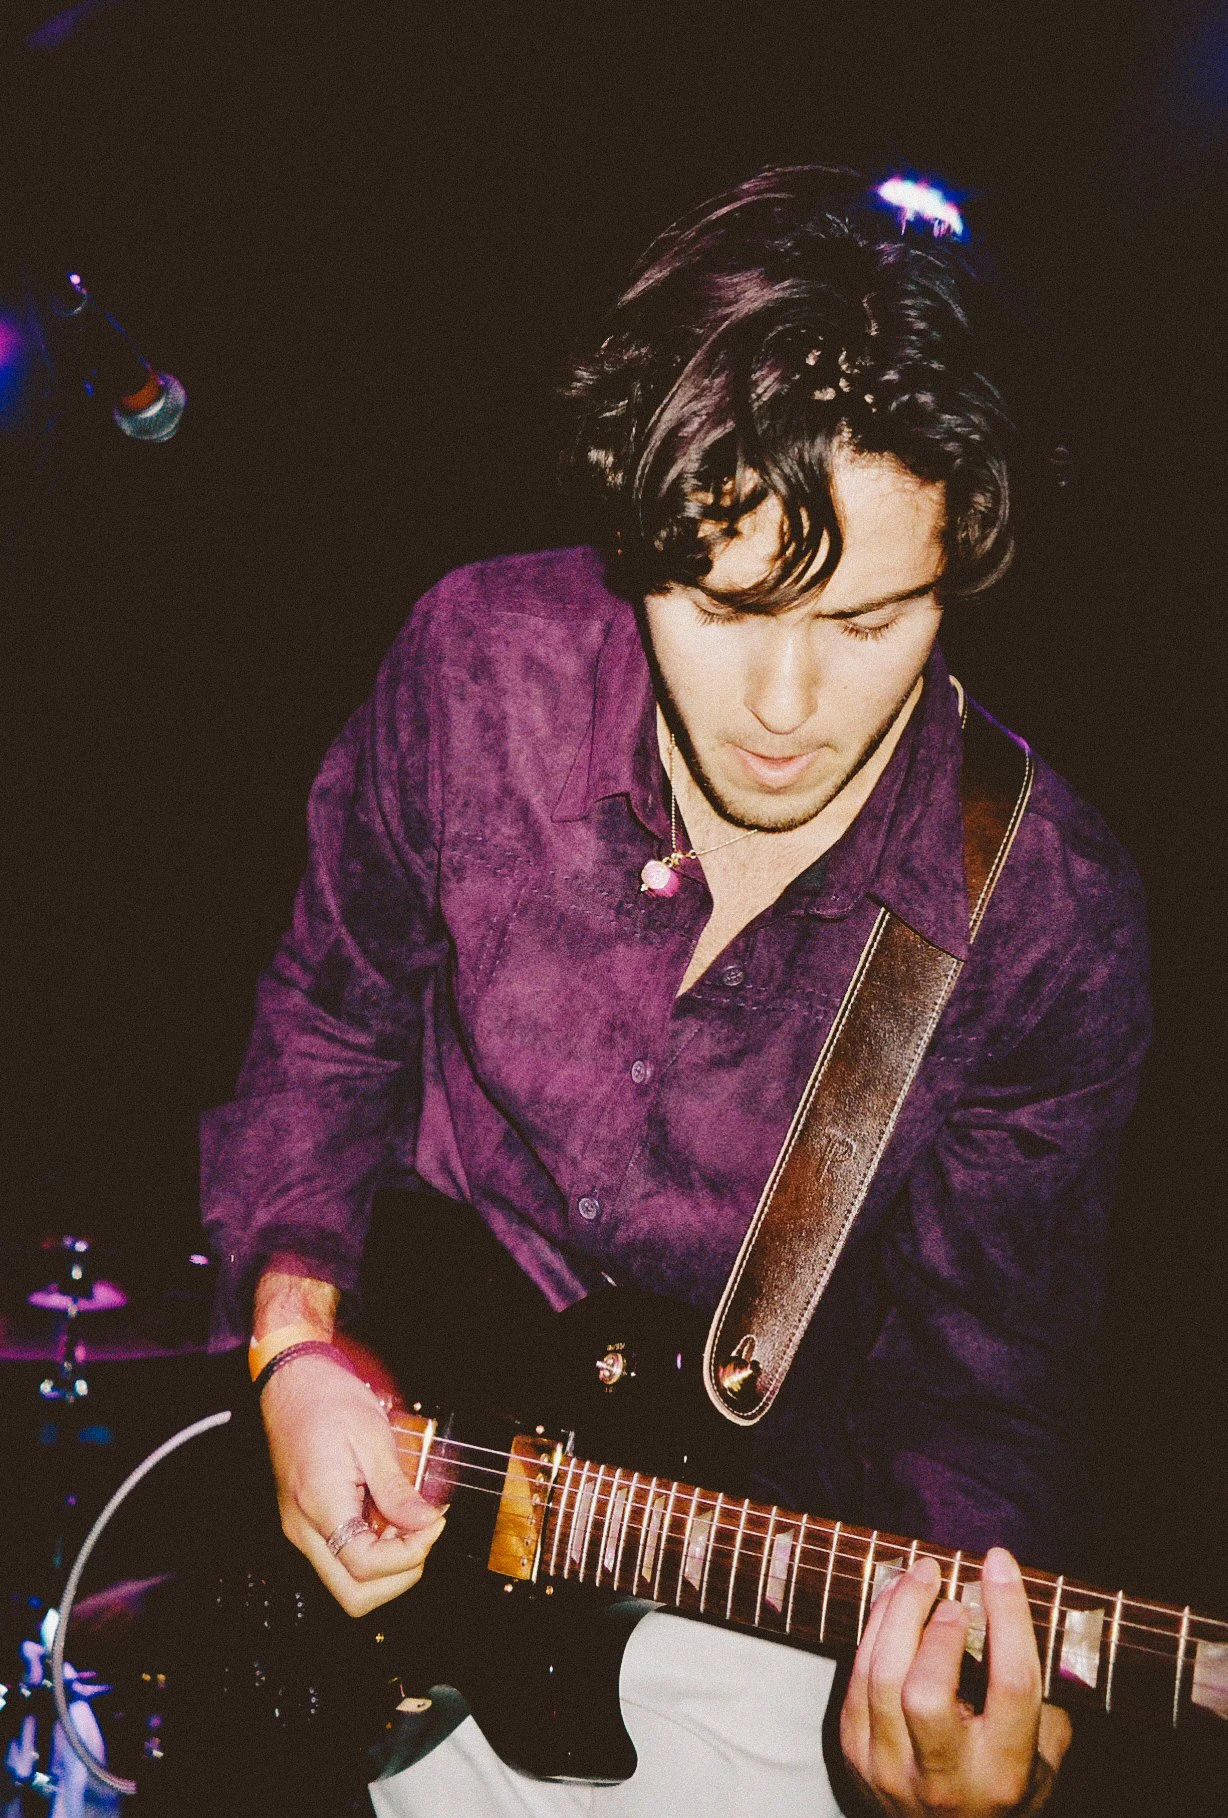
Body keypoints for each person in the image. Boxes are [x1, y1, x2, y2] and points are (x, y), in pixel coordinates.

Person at [202, 166, 1151, 1815]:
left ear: (961, 571)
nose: (784, 701)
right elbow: (330, 1012)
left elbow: (981, 1391)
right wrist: (296, 1334)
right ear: (636, 534)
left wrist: (947, 1716)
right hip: (369, 1535)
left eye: (866, 618)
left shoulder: (1050, 924)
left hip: (739, 1644)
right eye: (719, 602)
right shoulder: (476, 664)